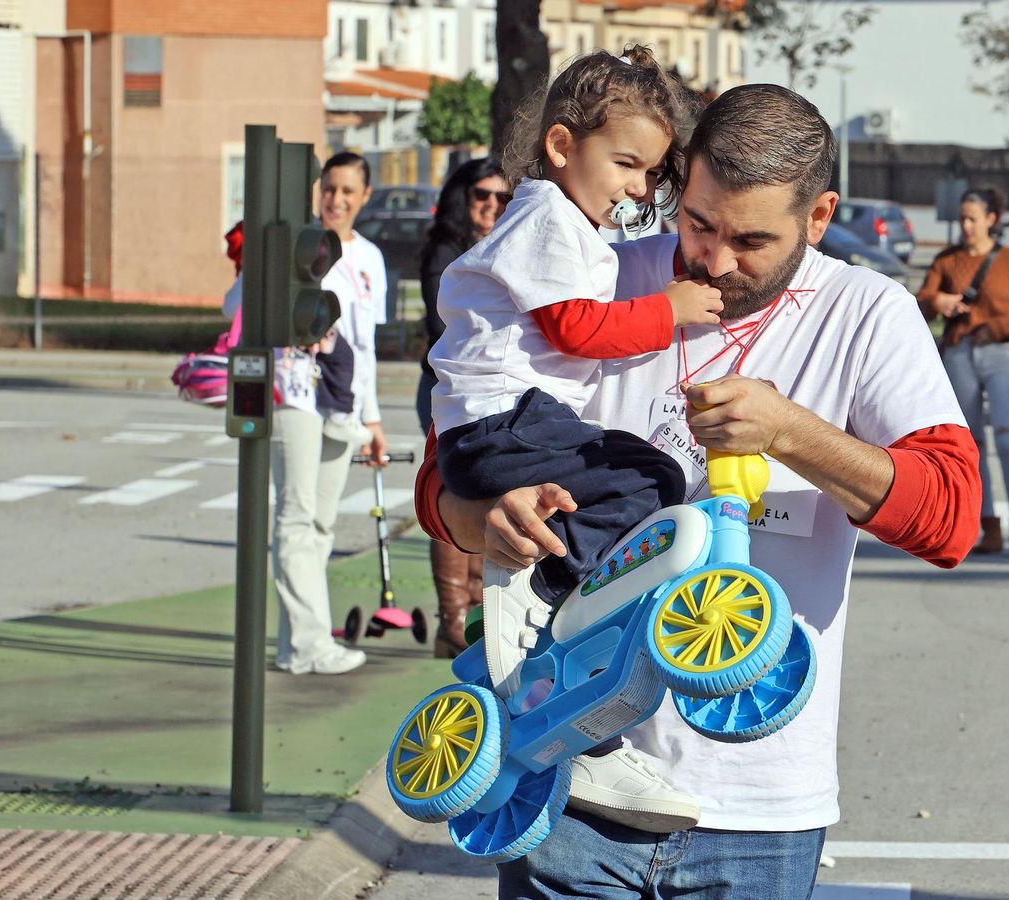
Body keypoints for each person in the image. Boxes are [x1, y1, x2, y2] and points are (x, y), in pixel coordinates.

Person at [416, 83, 980, 897]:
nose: (715, 259)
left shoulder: (867, 314)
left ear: (819, 218)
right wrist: (479, 516)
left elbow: (952, 517)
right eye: (699, 222)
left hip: (758, 809)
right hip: (570, 786)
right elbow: (443, 467)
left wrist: (791, 432)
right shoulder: (594, 272)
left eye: (751, 239)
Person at [429, 46, 721, 832]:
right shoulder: (548, 218)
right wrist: (672, 309)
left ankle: (560, 578)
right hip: (502, 420)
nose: (639, 187)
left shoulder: (568, 222)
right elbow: (577, 328)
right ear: (562, 146)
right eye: (627, 163)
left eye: (652, 174)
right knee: (648, 477)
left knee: (644, 477)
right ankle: (560, 593)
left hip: (502, 423)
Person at [270, 152, 389, 675]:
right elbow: (238, 304)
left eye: (348, 192)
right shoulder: (299, 248)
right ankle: (313, 643)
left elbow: (366, 346)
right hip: (295, 395)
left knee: (318, 525)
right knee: (296, 519)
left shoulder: (370, 259)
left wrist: (373, 418)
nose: (336, 200)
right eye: (330, 190)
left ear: (364, 197)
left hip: (345, 408)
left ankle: (293, 644)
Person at [417, 156, 512, 658]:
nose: (491, 206)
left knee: (486, 495)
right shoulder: (445, 251)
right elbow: (445, 331)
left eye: (501, 198)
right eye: (481, 196)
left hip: (492, 391)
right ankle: (452, 620)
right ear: (464, 198)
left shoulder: (509, 243)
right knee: (452, 497)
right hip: (449, 390)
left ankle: (474, 615)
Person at [917, 186, 1009, 556]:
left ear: (991, 219)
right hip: (959, 353)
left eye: (973, 219)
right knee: (972, 445)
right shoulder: (947, 259)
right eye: (962, 219)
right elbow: (921, 301)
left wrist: (998, 327)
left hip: (999, 352)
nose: (966, 226)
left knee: (1006, 440)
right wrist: (938, 301)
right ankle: (989, 527)